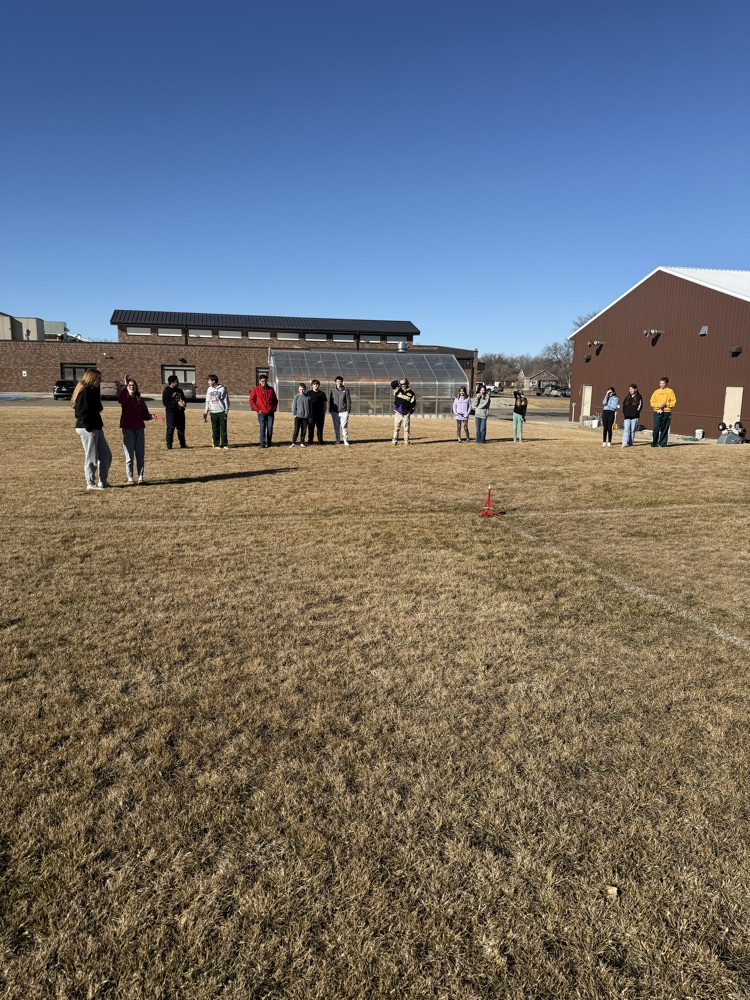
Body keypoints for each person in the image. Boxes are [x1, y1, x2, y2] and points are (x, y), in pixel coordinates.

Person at [71, 368, 112, 490]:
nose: (100, 381)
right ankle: (90, 483)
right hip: (87, 428)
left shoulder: (92, 391)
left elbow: (98, 408)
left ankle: (103, 481)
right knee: (91, 456)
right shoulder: (84, 393)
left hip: (96, 427)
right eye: (98, 379)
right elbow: (80, 413)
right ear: (91, 378)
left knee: (106, 455)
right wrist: (89, 427)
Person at [118, 376, 163, 483]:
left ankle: (140, 477)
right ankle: (130, 478)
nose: (131, 387)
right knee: (129, 455)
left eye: (133, 385)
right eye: (129, 386)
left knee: (140, 455)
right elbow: (120, 399)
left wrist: (151, 416)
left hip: (139, 429)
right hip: (128, 429)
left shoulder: (140, 400)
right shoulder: (125, 399)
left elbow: (144, 415)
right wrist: (124, 386)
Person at [249, 374, 278, 448]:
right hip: (261, 412)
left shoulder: (271, 389)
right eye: (262, 381)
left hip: (270, 412)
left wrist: (274, 408)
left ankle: (269, 442)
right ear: (259, 381)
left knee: (270, 427)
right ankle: (262, 443)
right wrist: (257, 409)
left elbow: (275, 400)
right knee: (262, 427)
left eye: (265, 381)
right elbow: (251, 400)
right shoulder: (256, 389)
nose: (264, 383)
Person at [204, 374, 230, 449]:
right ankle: (216, 444)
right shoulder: (209, 389)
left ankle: (224, 444)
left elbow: (226, 400)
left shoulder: (222, 389)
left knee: (223, 429)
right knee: (215, 429)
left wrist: (226, 410)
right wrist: (206, 411)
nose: (208, 382)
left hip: (221, 411)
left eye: (209, 381)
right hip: (213, 412)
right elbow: (207, 400)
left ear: (213, 381)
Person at [650, 376, 676, 448]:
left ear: (666, 383)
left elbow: (673, 402)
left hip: (667, 412)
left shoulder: (670, 391)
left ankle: (662, 443)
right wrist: (657, 405)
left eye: (662, 383)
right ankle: (654, 443)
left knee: (664, 428)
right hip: (657, 411)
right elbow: (652, 402)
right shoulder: (656, 392)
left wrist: (666, 404)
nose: (661, 384)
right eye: (660, 383)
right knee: (656, 427)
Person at [162, 375, 187, 449]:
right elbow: (165, 403)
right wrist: (176, 403)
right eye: (176, 381)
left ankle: (183, 444)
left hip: (180, 413)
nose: (178, 383)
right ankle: (169, 445)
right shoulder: (166, 391)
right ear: (171, 382)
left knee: (181, 429)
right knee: (170, 429)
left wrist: (184, 403)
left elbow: (184, 399)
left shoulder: (179, 390)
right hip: (171, 413)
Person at [392, 377, 416, 445]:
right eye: (402, 384)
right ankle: (394, 441)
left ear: (407, 383)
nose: (403, 385)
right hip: (398, 413)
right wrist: (399, 381)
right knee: (396, 428)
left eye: (405, 384)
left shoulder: (411, 393)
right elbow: (392, 384)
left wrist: (409, 413)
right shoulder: (397, 390)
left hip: (406, 414)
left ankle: (406, 441)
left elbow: (413, 404)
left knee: (406, 429)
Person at [329, 375, 351, 445]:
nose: (339, 382)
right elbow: (330, 400)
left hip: (344, 411)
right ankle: (337, 440)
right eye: (337, 381)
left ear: (342, 382)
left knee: (344, 427)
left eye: (340, 381)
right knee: (336, 427)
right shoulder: (332, 390)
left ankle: (345, 440)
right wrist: (331, 410)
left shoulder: (346, 390)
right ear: (335, 382)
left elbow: (348, 400)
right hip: (335, 411)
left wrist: (348, 410)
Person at [306, 379, 327, 445]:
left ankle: (320, 441)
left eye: (317, 384)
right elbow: (306, 403)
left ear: (319, 385)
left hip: (320, 414)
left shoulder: (322, 393)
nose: (316, 385)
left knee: (320, 428)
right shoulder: (308, 393)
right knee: (311, 428)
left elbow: (325, 404)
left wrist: (324, 412)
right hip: (311, 414)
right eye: (314, 384)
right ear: (312, 385)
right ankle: (310, 441)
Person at [291, 382, 311, 447]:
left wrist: (309, 415)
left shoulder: (308, 397)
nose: (301, 391)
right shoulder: (296, 397)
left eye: (303, 389)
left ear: (305, 389)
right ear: (298, 389)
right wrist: (295, 414)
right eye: (300, 389)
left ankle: (302, 442)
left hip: (306, 417)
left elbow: (310, 407)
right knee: (296, 429)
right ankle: (294, 442)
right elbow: (294, 406)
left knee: (304, 430)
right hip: (298, 416)